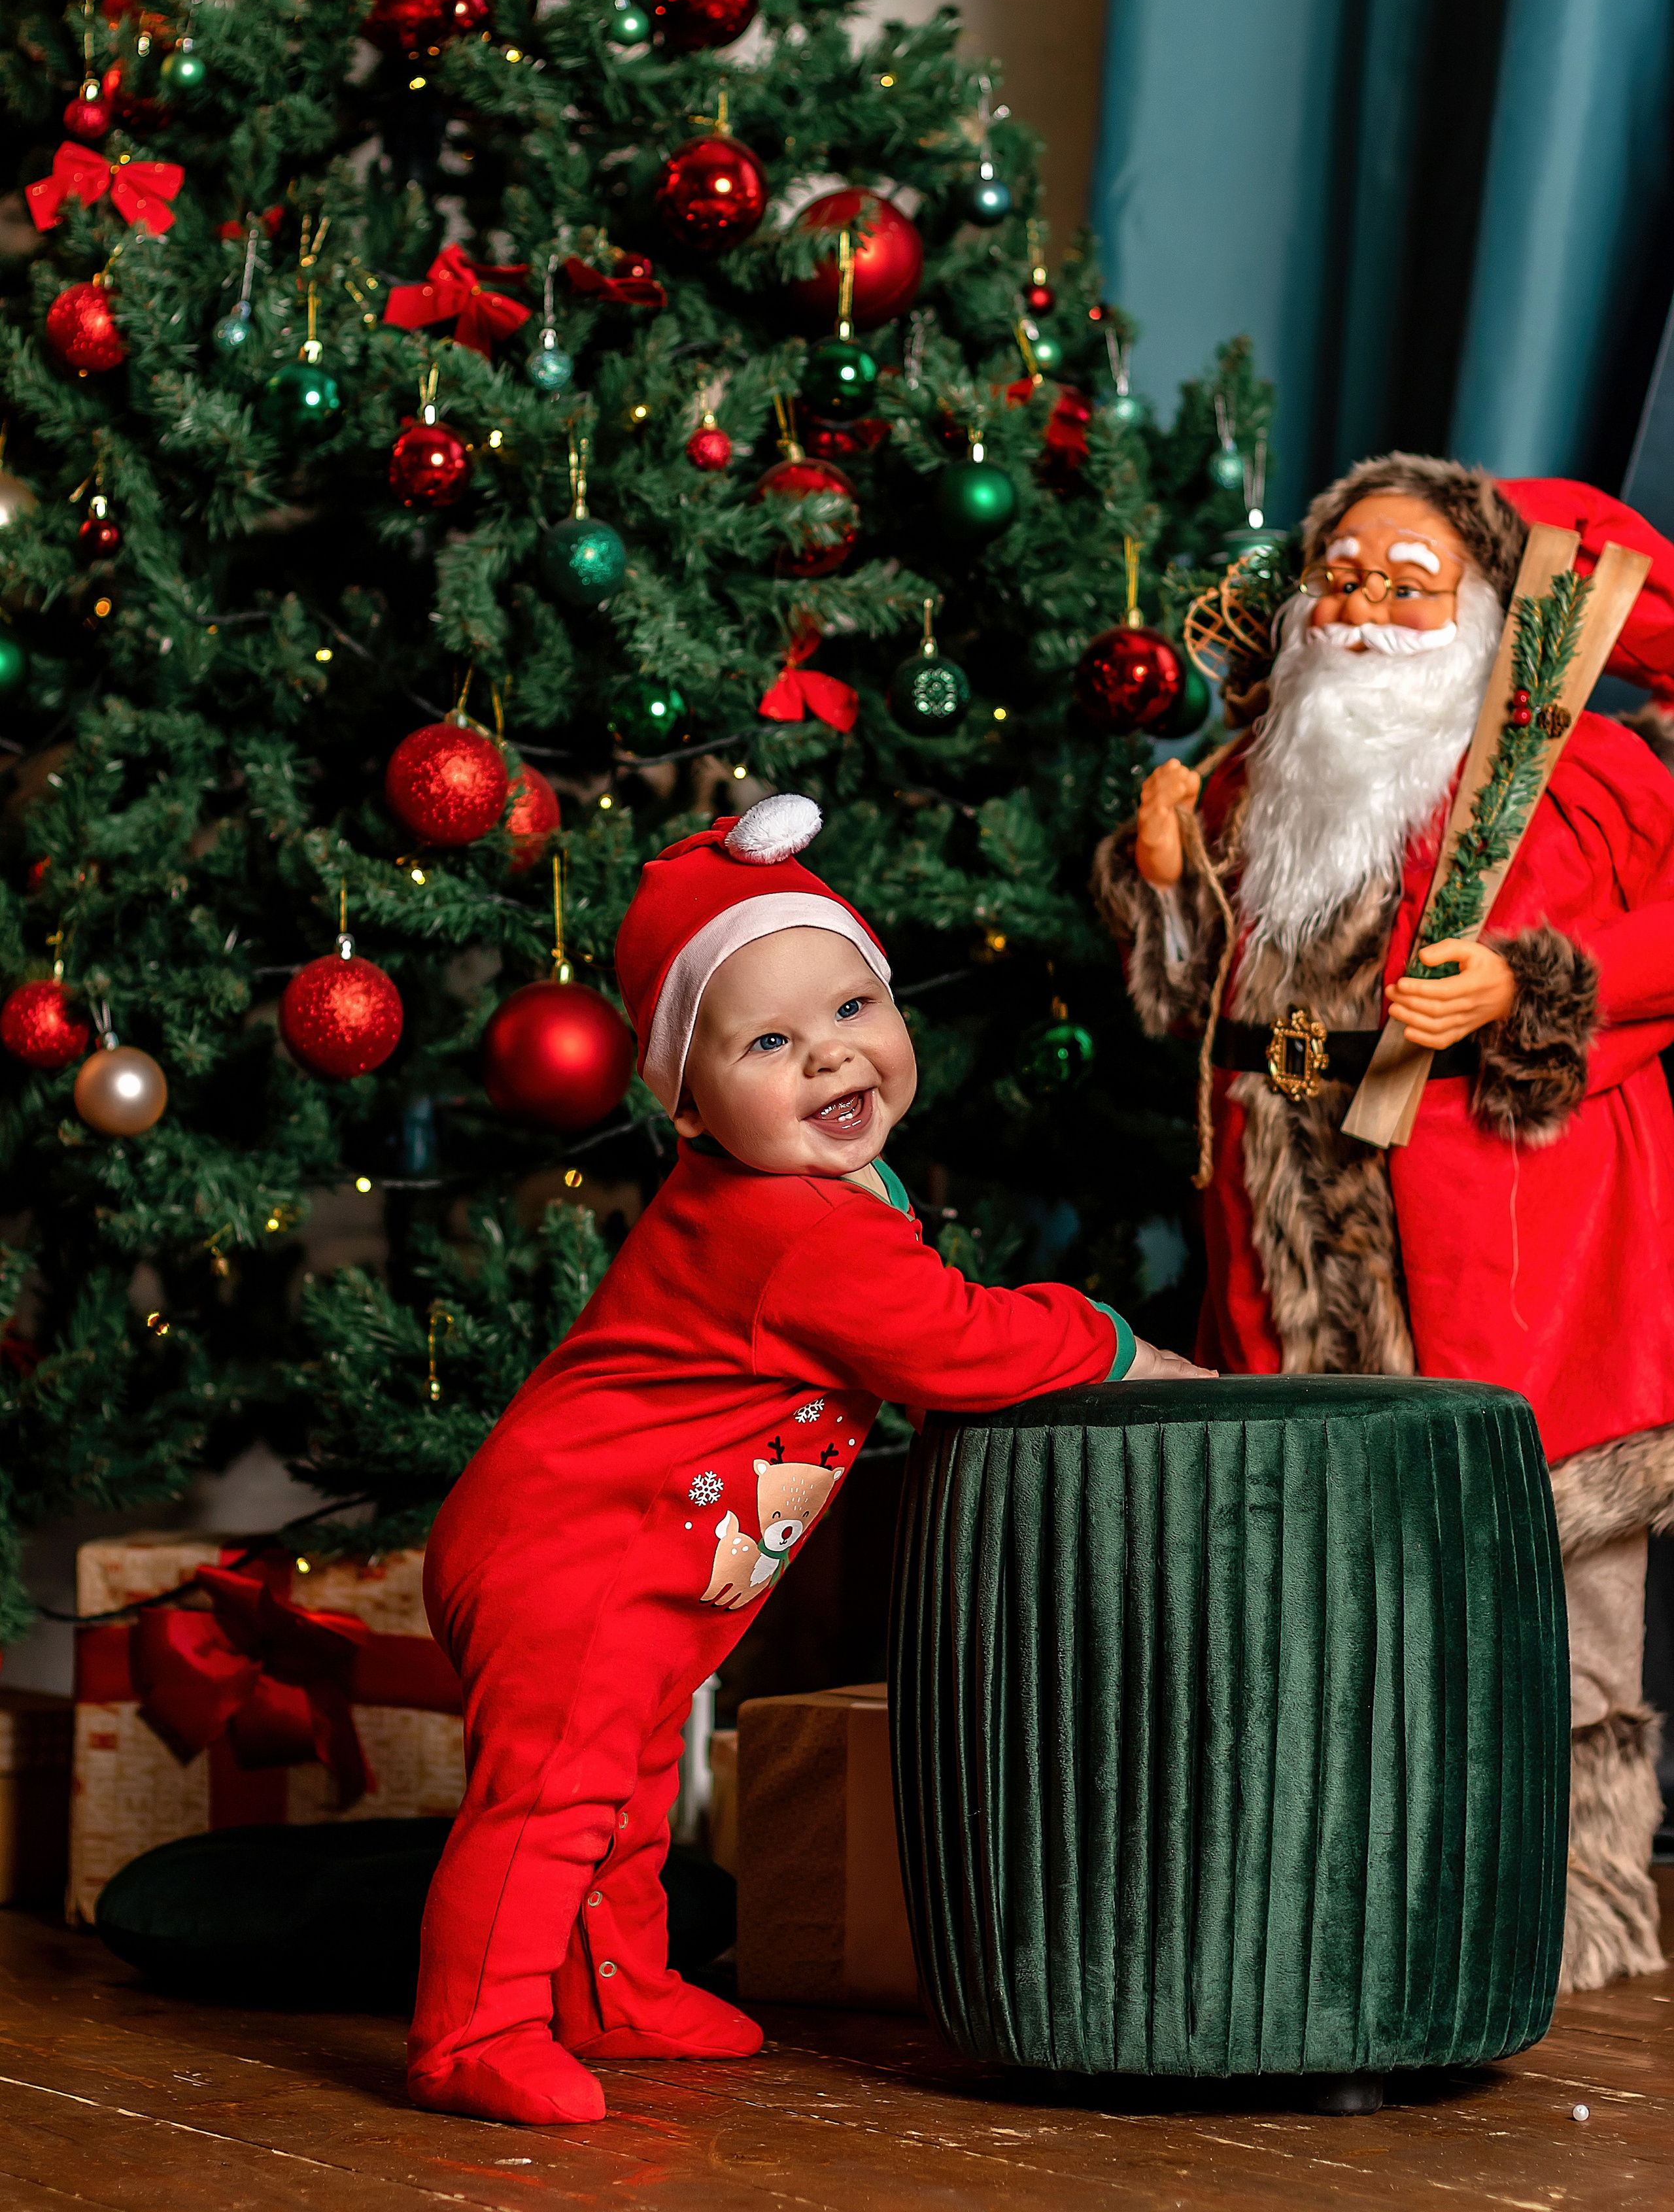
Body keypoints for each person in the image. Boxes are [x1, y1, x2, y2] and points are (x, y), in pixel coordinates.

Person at [408, 791, 1212, 2127]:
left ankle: (611, 1990)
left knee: (624, 1782)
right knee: (553, 1795)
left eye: (852, 1012)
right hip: (577, 1549)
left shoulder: (841, 1191)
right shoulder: (787, 1228)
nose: (832, 1061)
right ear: (689, 1108)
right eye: (769, 1042)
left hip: (648, 1559)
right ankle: (470, 2029)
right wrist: (1116, 1345)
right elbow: (952, 1342)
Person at [1093, 455, 1674, 1996]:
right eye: (1337, 576)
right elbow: (1187, 999)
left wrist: (1534, 984)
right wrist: (1164, 889)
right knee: (1319, 1578)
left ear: (1481, 610)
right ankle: (1349, 1891)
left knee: (1547, 1569)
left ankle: (1569, 1900)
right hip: (1286, 1222)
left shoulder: (1590, 776)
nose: (1357, 607)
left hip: (1508, 1217)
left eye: (1402, 582)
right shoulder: (1249, 773)